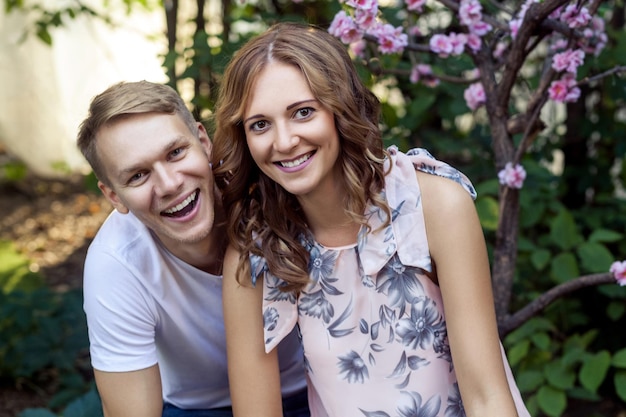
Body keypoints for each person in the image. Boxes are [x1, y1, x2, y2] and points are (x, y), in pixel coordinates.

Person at [212, 22, 531, 417]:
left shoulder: (433, 205)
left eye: (303, 112)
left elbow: (486, 397)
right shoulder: (255, 253)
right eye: (260, 124)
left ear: (340, 109)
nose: (284, 141)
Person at [76, 80, 310, 417]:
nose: (170, 184)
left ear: (203, 141)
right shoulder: (116, 264)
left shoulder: (271, 193)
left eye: (175, 153)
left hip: (318, 384)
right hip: (200, 409)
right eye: (139, 175)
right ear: (114, 196)